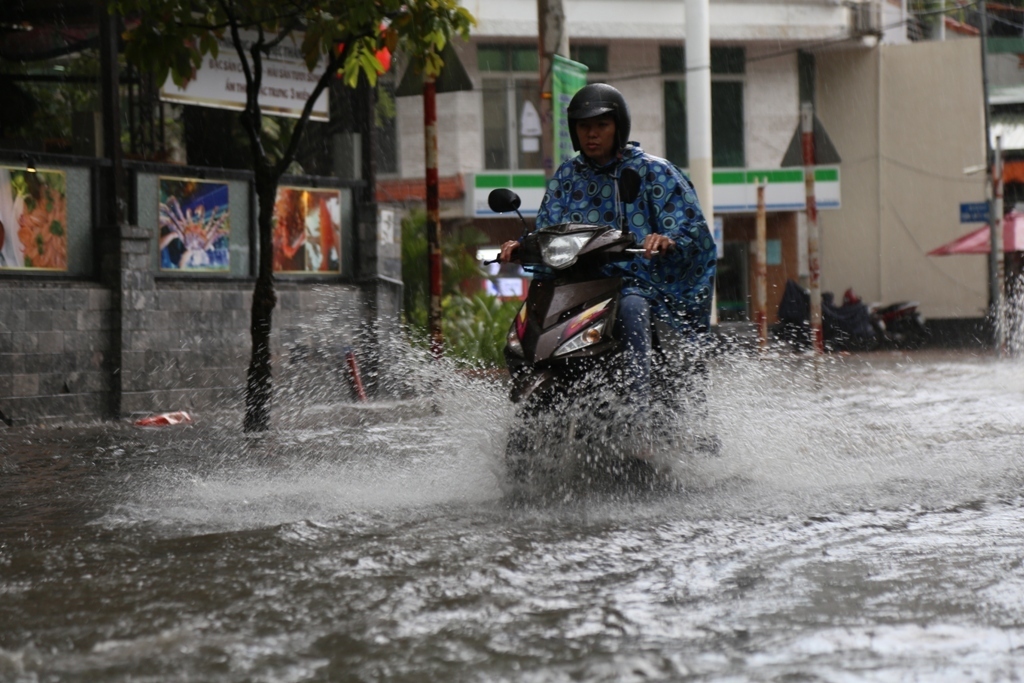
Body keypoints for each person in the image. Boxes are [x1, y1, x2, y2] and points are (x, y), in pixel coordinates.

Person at [499, 82, 717, 419]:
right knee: (533, 315)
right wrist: (522, 247)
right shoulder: (567, 176)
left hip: (640, 284)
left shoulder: (652, 171)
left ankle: (638, 409)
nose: (592, 134)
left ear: (619, 126)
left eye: (602, 125)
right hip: (578, 286)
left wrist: (666, 240)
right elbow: (549, 228)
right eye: (585, 126)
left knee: (632, 305)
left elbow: (691, 229)